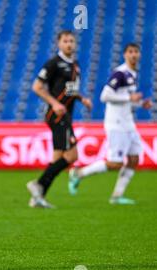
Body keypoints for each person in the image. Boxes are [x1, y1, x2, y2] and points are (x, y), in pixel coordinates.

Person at [68, 43, 153, 204]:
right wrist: (130, 98)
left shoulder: (132, 74)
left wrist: (140, 103)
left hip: (128, 123)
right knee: (115, 163)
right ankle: (78, 173)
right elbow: (105, 96)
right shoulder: (119, 73)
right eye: (130, 52)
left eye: (136, 52)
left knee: (134, 159)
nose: (134, 55)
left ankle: (116, 196)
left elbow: (124, 98)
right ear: (124, 55)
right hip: (117, 124)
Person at [26, 30, 93, 208]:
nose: (69, 44)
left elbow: (70, 89)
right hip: (57, 115)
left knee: (57, 158)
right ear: (59, 43)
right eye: (65, 41)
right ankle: (38, 184)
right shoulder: (53, 63)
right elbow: (37, 87)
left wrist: (81, 98)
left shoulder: (75, 65)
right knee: (72, 155)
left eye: (71, 41)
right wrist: (54, 103)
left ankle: (37, 198)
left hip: (66, 115)